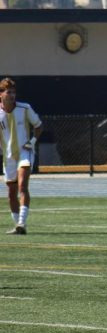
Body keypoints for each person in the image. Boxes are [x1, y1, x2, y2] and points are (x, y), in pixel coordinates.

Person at [1, 78, 41, 235]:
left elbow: (38, 126)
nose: (11, 95)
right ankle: (17, 224)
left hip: (25, 152)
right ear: (1, 95)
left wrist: (32, 141)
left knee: (22, 185)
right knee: (11, 192)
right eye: (8, 92)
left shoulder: (25, 108)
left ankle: (22, 224)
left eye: (13, 92)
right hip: (8, 156)